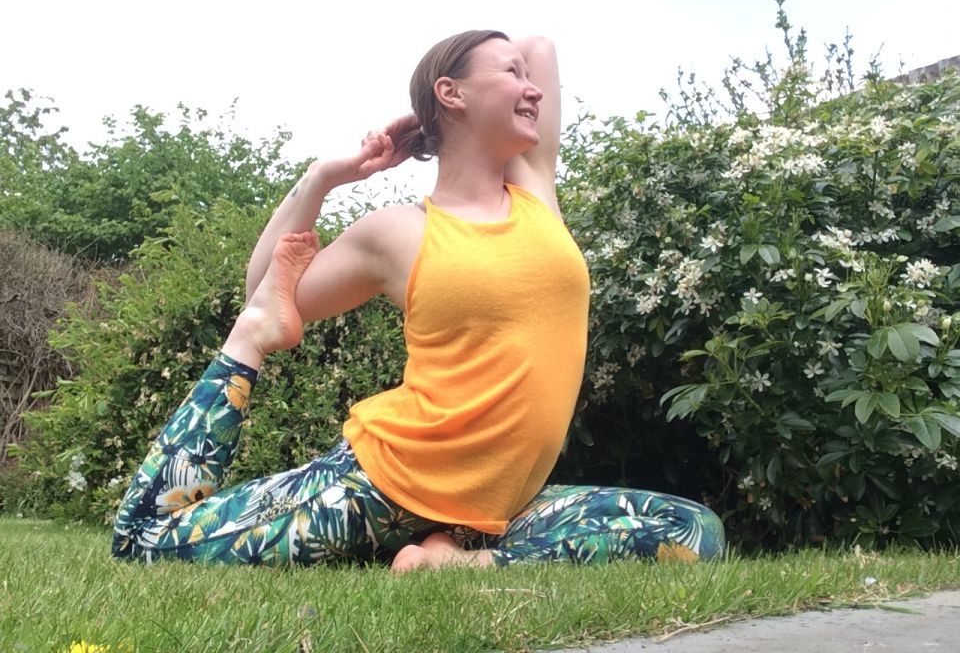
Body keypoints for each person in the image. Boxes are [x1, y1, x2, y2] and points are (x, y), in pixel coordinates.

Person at [112, 31, 725, 570]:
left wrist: (463, 96)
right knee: (145, 538)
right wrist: (328, 175)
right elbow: (264, 293)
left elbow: (541, 46)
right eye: (509, 75)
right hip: (383, 484)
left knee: (693, 531)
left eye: (524, 76)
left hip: (490, 511)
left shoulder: (535, 190)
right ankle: (248, 360)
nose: (532, 87)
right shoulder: (399, 232)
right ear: (451, 92)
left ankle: (456, 561)